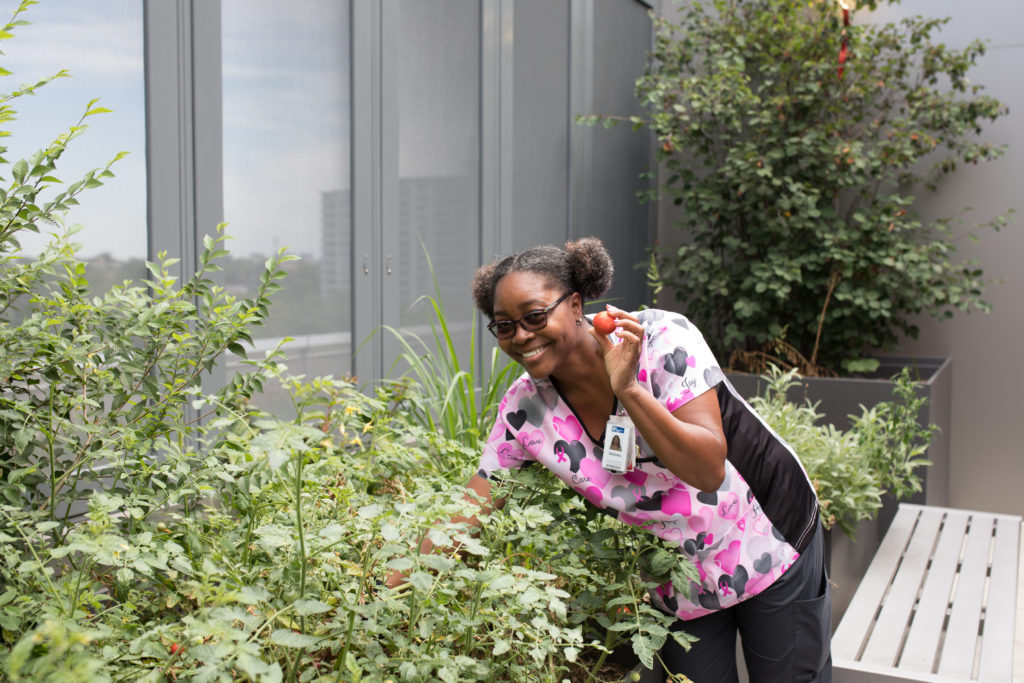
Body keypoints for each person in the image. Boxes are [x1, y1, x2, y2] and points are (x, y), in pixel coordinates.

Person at [392, 237, 832, 682]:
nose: (521, 335)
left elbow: (707, 470)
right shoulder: (526, 411)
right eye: (504, 326)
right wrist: (389, 591)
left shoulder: (660, 340)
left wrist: (630, 389)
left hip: (771, 538)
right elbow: (471, 508)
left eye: (534, 316)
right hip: (681, 577)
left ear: (576, 303)